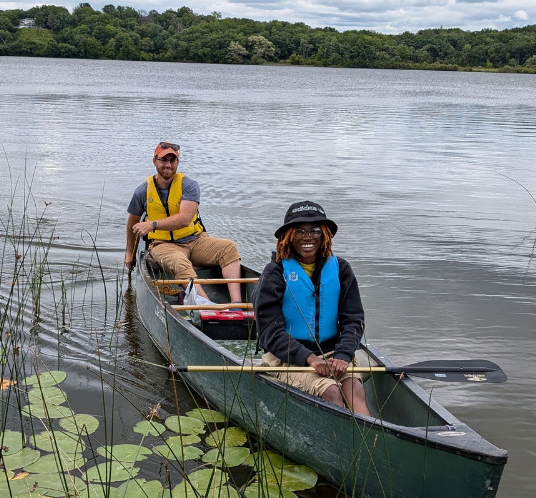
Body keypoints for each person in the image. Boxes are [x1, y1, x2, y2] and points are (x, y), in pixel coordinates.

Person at [254, 200, 372, 416]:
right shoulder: (274, 274)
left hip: (334, 353)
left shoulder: (341, 269)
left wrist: (343, 355)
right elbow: (269, 333)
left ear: (325, 234)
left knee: (354, 389)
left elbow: (353, 320)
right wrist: (310, 359)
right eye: (299, 231)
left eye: (315, 230)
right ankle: (342, 443)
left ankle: (370, 443)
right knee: (331, 391)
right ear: (288, 236)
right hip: (287, 358)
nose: (308, 237)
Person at [124, 142, 243, 305]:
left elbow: (185, 219)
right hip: (162, 244)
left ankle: (237, 305)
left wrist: (152, 225)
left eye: (172, 161)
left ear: (177, 163)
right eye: (163, 160)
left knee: (228, 247)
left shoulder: (189, 185)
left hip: (195, 241)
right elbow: (133, 221)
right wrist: (129, 254)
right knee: (180, 263)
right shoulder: (142, 191)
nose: (168, 165)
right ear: (154, 161)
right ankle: (207, 307)